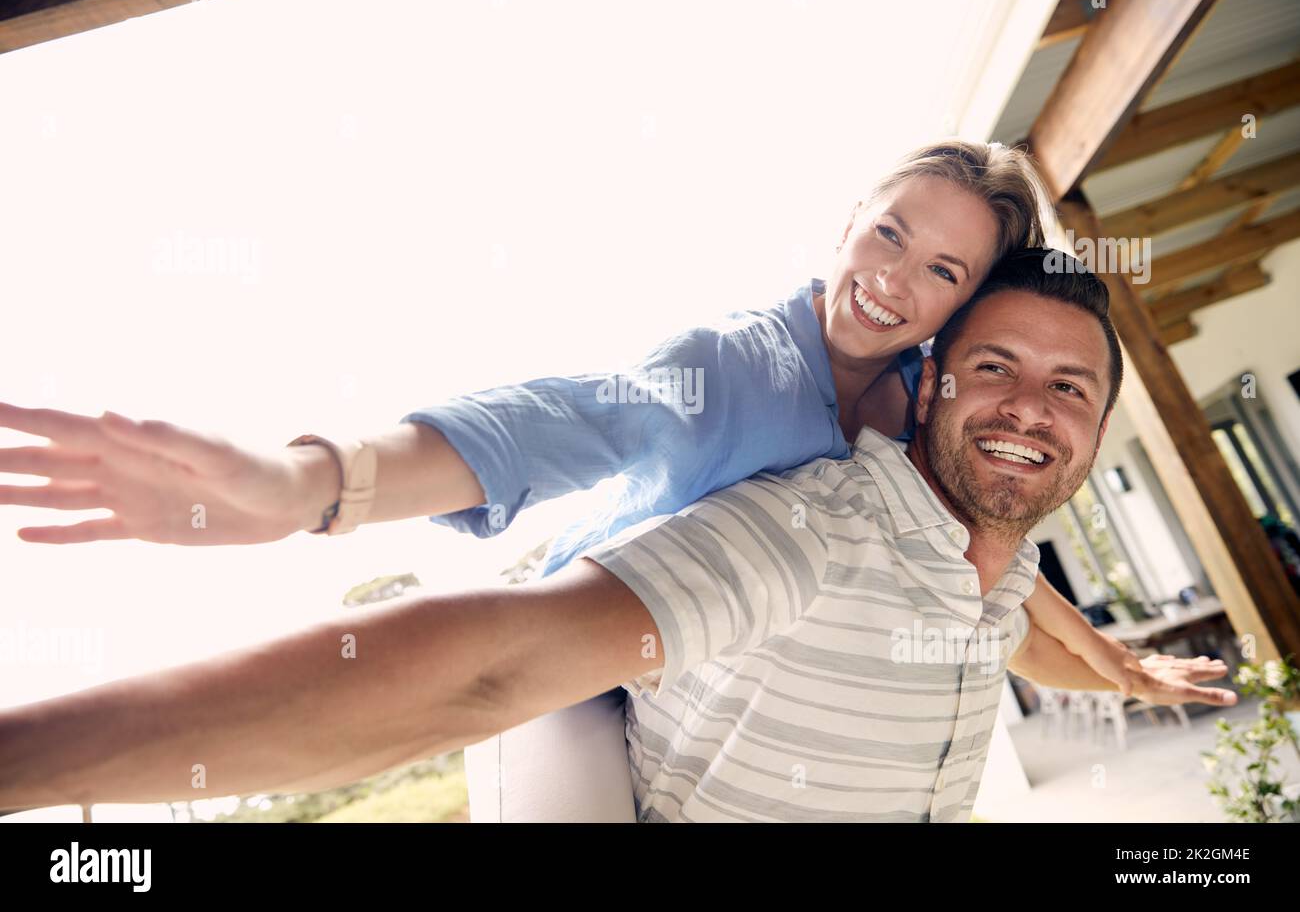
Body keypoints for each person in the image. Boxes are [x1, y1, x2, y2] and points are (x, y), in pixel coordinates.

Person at [0, 142, 1150, 820]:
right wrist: (312, 483)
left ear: (967, 305)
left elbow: (984, 573)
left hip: (713, 665)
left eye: (941, 267)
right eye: (886, 234)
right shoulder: (729, 366)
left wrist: (1118, 659)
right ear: (846, 221)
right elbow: (548, 422)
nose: (892, 279)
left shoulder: (933, 403)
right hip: (580, 683)